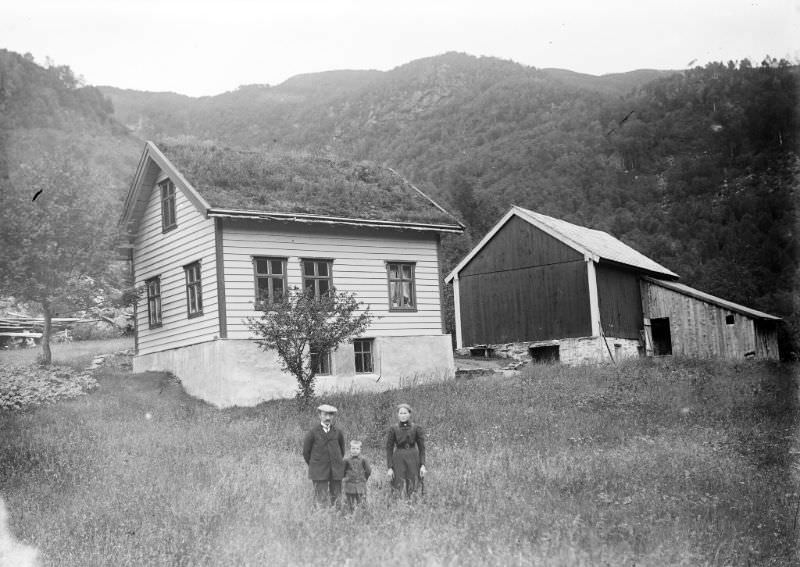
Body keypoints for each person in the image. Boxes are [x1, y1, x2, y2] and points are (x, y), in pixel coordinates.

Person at [302, 404, 345, 506]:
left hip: (335, 470)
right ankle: (321, 518)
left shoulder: (338, 432)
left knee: (337, 498)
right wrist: (315, 464)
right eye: (325, 415)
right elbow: (306, 453)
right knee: (321, 499)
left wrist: (336, 462)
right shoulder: (312, 433)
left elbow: (342, 451)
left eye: (330, 415)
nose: (328, 418)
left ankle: (336, 517)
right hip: (319, 470)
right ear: (319, 415)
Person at [386, 403, 426, 498]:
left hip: (413, 458)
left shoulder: (416, 428)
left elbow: (422, 448)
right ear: (397, 415)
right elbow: (389, 449)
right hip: (398, 459)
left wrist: (423, 465)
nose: (403, 415)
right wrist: (390, 467)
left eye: (405, 413)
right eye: (401, 413)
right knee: (398, 483)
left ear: (409, 414)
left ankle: (413, 504)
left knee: (414, 482)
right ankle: (398, 505)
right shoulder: (393, 429)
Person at [343, 440, 371, 510]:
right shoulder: (346, 460)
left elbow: (368, 471)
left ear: (360, 450)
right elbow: (342, 472)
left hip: (360, 486)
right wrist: (346, 479)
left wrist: (364, 479)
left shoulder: (363, 460)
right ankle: (350, 517)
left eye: (357, 449)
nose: (355, 450)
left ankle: (362, 517)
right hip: (349, 486)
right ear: (350, 449)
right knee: (350, 504)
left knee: (362, 504)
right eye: (353, 448)